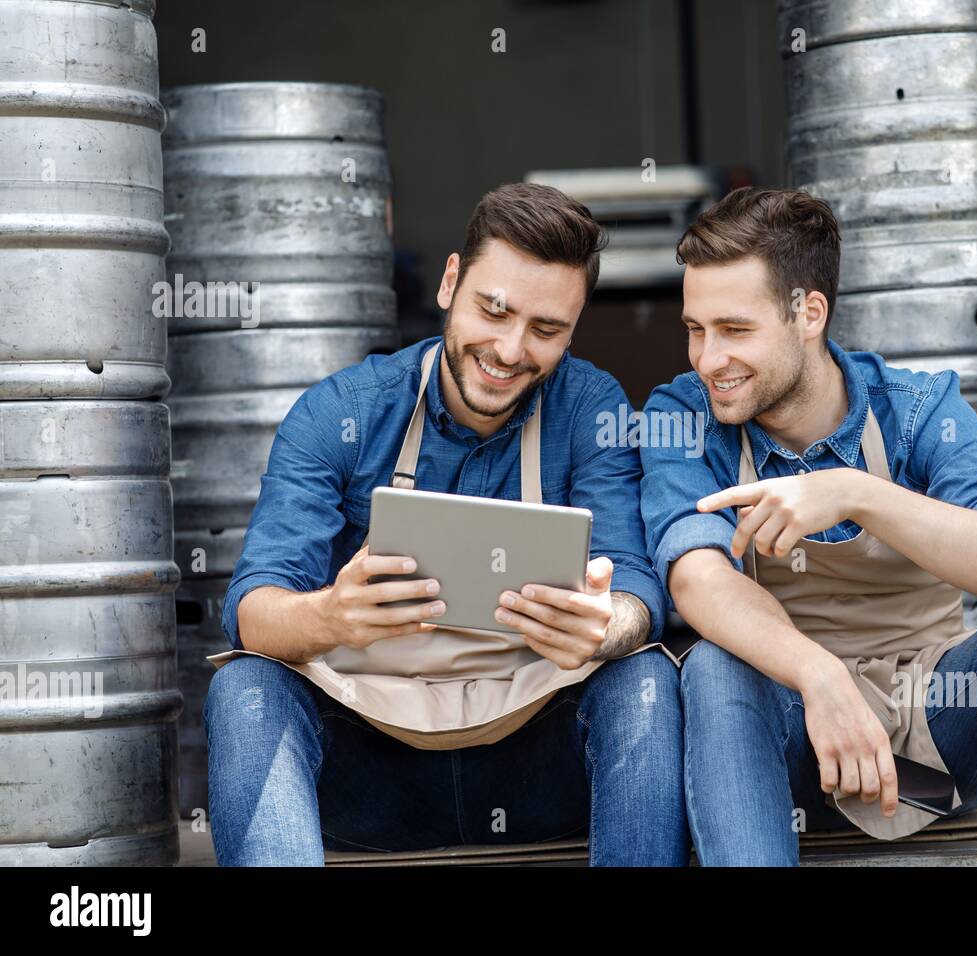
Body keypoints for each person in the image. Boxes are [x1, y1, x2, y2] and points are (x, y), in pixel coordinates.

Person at [638, 186, 977, 866]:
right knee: (714, 667)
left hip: (924, 774)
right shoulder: (684, 417)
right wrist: (819, 677)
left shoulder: (915, 410)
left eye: (734, 330)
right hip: (791, 768)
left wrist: (856, 494)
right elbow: (696, 581)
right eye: (695, 329)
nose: (707, 359)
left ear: (809, 314)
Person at [204, 183, 687, 866]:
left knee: (644, 679)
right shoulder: (338, 413)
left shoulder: (591, 407)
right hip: (373, 772)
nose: (510, 349)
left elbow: (638, 584)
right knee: (244, 688)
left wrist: (610, 624)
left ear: (573, 332)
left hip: (533, 765)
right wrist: (335, 615)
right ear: (451, 282)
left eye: (546, 330)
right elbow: (252, 612)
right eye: (494, 310)